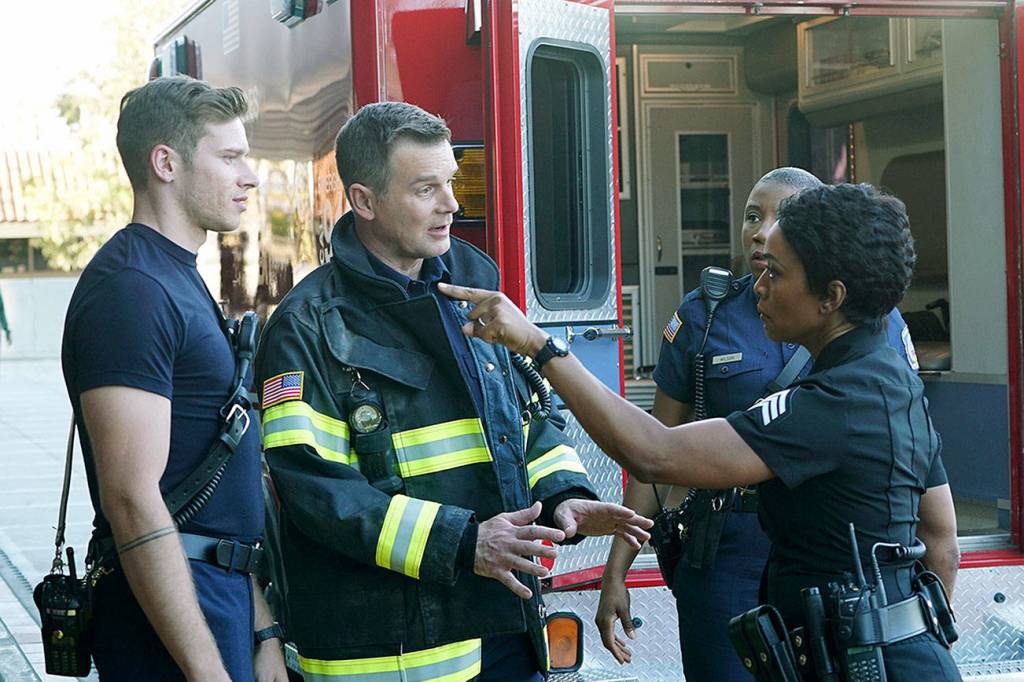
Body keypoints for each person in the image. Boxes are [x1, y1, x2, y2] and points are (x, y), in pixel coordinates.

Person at [440, 183, 962, 680]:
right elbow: (940, 537)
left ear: (831, 296)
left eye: (777, 274)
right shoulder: (887, 380)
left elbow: (655, 453)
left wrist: (539, 346)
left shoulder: (837, 402)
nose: (760, 286)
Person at [254, 101, 652, 682]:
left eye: (451, 182)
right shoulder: (306, 326)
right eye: (426, 189)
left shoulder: (472, 292)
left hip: (504, 627)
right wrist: (464, 543)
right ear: (364, 201)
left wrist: (562, 496)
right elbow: (317, 491)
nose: (452, 205)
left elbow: (525, 420)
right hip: (390, 652)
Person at [596, 168, 919, 680]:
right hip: (726, 542)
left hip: (829, 547)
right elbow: (655, 454)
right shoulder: (706, 314)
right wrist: (617, 568)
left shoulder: (868, 318)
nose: (761, 232)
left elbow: (908, 445)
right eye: (752, 216)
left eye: (781, 217)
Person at [61, 77, 287, 682]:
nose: (249, 177)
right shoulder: (132, 290)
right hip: (171, 616)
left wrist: (261, 628)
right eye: (230, 157)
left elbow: (213, 475)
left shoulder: (175, 275)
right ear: (166, 163)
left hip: (219, 596)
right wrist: (208, 672)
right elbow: (132, 500)